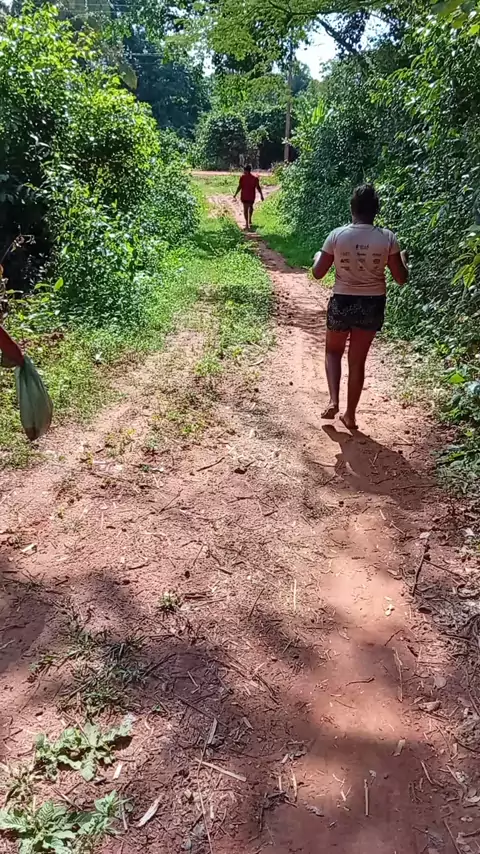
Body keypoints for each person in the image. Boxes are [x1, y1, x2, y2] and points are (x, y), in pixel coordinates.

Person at [312, 184, 409, 431]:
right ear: (376, 210)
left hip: (342, 300)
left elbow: (318, 272)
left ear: (352, 208)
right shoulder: (387, 238)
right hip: (372, 303)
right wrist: (404, 261)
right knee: (357, 361)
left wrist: (317, 258)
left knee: (333, 352)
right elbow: (401, 278)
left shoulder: (337, 235)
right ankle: (350, 416)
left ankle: (333, 401)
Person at [234, 165, 264, 230]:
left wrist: (235, 194)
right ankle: (248, 221)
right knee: (249, 207)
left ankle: (247, 223)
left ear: (246, 171)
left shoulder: (244, 178)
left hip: (246, 196)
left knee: (246, 209)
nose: (243, 172)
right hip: (250, 196)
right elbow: (258, 187)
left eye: (244, 170)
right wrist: (261, 195)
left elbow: (240, 186)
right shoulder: (253, 178)